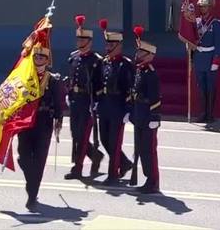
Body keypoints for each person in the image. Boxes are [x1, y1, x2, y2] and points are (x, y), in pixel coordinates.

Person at [16, 36, 65, 210]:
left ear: (47, 60)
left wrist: (59, 119)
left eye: (42, 57)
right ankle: (31, 180)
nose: (38, 60)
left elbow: (59, 102)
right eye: (36, 57)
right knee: (22, 154)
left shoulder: (53, 80)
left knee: (39, 159)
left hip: (44, 122)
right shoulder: (24, 77)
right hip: (26, 122)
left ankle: (32, 193)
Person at [64, 15, 105, 180]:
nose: (79, 42)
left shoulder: (96, 60)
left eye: (82, 40)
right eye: (78, 39)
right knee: (75, 134)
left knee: (83, 134)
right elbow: (71, 76)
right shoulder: (73, 57)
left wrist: (96, 102)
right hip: (75, 99)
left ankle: (78, 168)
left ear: (89, 41)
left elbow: (100, 83)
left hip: (88, 101)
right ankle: (95, 156)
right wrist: (68, 93)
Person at [95, 19, 133, 185]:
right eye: (107, 44)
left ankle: (113, 174)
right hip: (104, 105)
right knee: (104, 139)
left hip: (118, 106)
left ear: (119, 46)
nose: (108, 47)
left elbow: (130, 88)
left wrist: (128, 109)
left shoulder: (125, 65)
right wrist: (96, 101)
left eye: (111, 45)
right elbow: (98, 83)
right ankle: (124, 163)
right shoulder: (104, 63)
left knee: (114, 141)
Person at [125, 26, 161, 194]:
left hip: (148, 115)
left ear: (149, 56)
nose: (137, 55)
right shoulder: (139, 71)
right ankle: (147, 178)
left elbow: (155, 97)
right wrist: (130, 112)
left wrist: (155, 117)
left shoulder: (151, 74)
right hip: (139, 113)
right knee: (140, 148)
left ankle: (153, 180)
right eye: (138, 52)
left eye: (141, 53)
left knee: (149, 150)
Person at [193, 0, 220, 124]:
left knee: (211, 86)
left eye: (205, 7)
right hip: (199, 58)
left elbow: (219, 44)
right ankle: (203, 112)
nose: (202, 9)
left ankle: (210, 113)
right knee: (201, 87)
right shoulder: (197, 22)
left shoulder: (216, 24)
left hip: (210, 58)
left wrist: (215, 62)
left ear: (209, 7)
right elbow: (192, 39)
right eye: (201, 7)